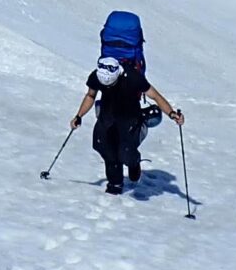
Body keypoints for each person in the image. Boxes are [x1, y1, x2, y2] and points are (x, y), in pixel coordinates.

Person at [69, 52, 183, 195]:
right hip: (107, 118)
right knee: (106, 150)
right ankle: (115, 184)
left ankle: (134, 163)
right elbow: (90, 95)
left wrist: (172, 114)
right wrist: (79, 116)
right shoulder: (97, 76)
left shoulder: (133, 77)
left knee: (125, 153)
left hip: (129, 119)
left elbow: (155, 96)